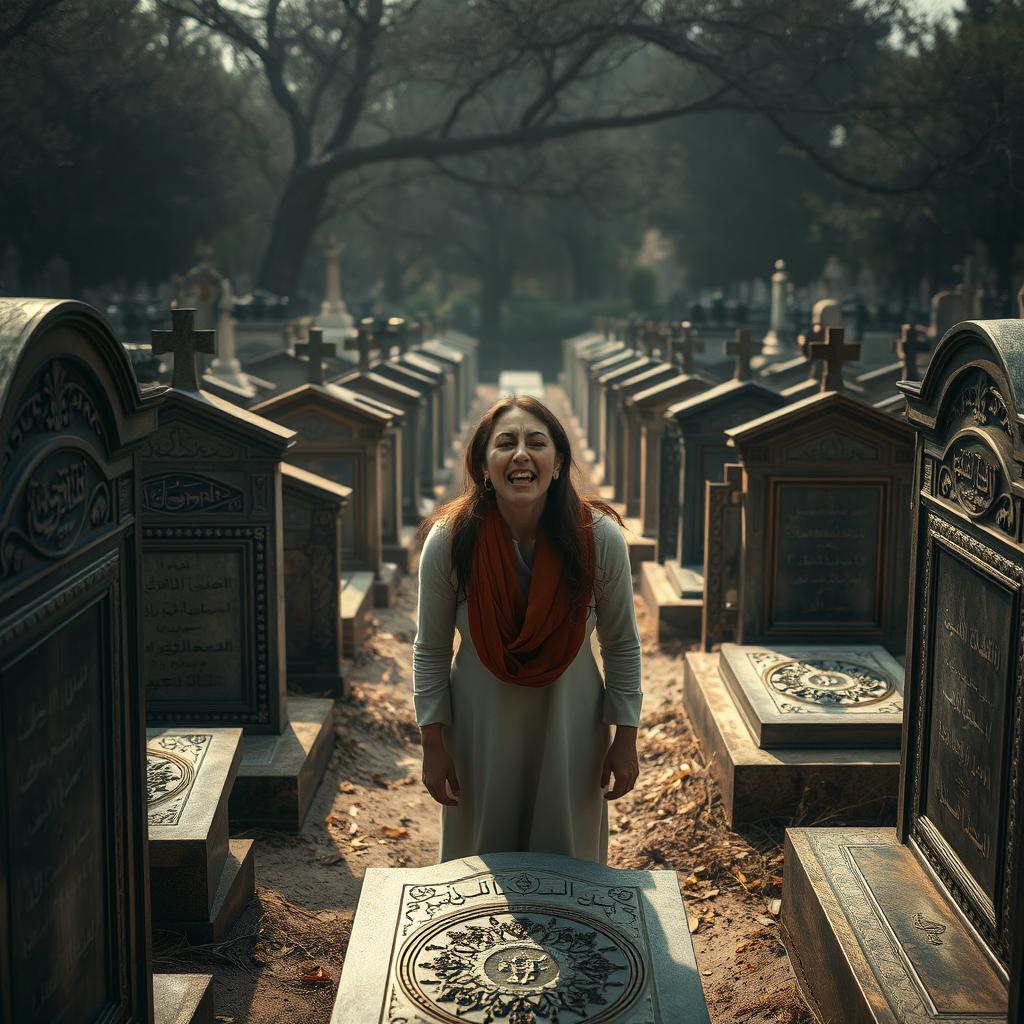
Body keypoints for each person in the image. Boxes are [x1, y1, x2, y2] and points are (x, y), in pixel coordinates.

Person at [413, 394, 643, 864]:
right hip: (479, 728)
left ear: (557, 463)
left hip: (571, 725)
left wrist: (626, 738)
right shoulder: (452, 539)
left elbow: (621, 644)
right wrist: (432, 745)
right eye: (505, 443)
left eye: (536, 442)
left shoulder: (598, 537)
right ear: (483, 465)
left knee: (568, 863)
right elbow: (430, 648)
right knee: (480, 869)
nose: (521, 454)